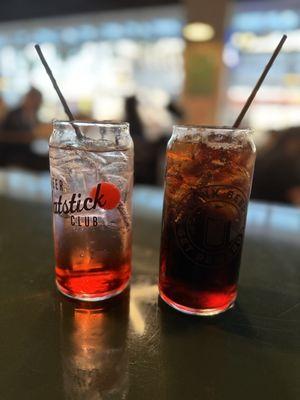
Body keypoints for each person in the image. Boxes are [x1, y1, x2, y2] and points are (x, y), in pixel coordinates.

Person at [251, 127, 300, 205]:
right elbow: (296, 197)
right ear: (293, 141)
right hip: (277, 211)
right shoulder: (285, 163)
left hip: (254, 208)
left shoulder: (266, 156)